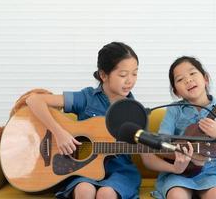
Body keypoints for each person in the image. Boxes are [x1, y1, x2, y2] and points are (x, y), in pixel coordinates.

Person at [26, 42, 141, 199]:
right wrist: (59, 133)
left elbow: (147, 153)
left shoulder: (135, 110)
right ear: (104, 75)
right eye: (123, 75)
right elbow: (34, 100)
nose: (130, 81)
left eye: (134, 74)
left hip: (120, 172)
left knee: (106, 194)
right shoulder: (86, 98)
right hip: (83, 169)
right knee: (84, 190)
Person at [141, 56, 216, 199]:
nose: (188, 80)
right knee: (176, 195)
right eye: (180, 79)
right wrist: (182, 156)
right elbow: (161, 145)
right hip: (179, 172)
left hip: (212, 173)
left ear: (205, 78)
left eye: (192, 74)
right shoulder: (174, 110)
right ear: (176, 91)